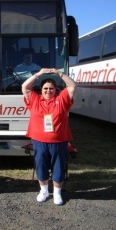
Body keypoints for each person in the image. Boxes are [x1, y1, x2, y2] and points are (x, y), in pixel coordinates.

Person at [22, 68, 76, 205]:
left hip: (59, 141)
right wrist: (39, 74)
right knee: (41, 166)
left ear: (55, 89)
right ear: (41, 89)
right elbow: (25, 86)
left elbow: (72, 85)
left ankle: (57, 193)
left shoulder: (62, 99)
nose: (48, 91)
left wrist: (59, 73)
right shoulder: (35, 99)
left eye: (51, 88)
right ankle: (44, 191)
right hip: (39, 141)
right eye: (45, 88)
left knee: (58, 167)